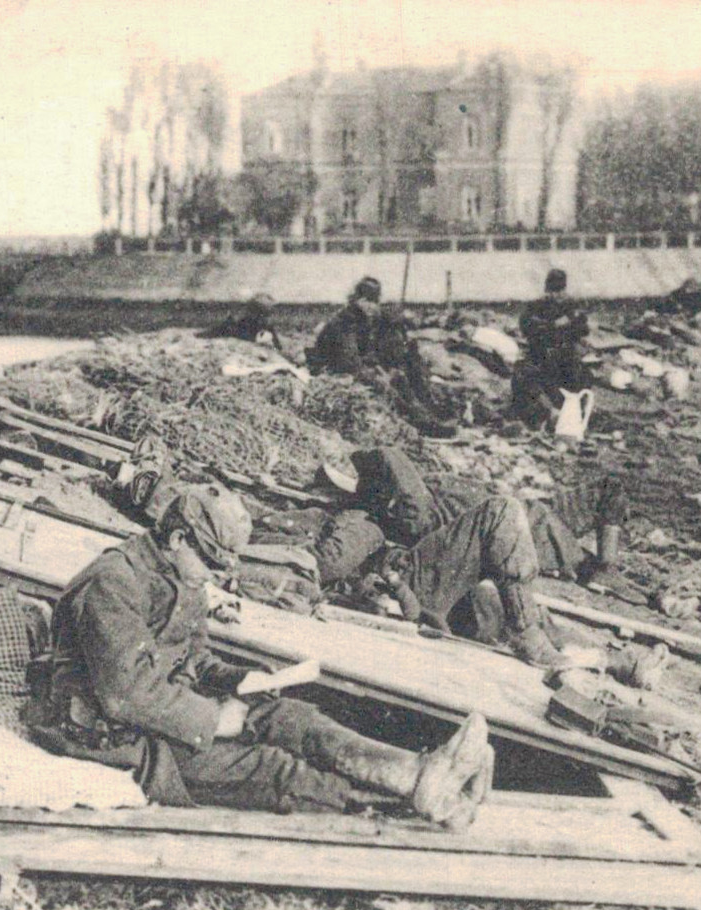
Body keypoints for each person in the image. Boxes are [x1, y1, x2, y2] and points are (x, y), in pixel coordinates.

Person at [35, 482, 494, 830]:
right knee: (275, 770)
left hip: (164, 716)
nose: (216, 576)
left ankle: (418, 772)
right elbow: (124, 696)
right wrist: (218, 720)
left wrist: (242, 679)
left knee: (292, 718)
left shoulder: (183, 576)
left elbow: (195, 659)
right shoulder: (114, 583)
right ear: (177, 540)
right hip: (112, 739)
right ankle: (423, 801)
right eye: (212, 563)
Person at [295, 448, 592, 667]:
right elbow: (327, 564)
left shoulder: (409, 518)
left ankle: (619, 660)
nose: (411, 511)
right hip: (407, 586)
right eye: (402, 502)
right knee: (501, 511)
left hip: (427, 588)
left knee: (501, 604)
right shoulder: (361, 523)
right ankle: (528, 634)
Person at [306, 277, 458, 437]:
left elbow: (368, 353)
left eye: (375, 302)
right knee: (384, 386)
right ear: (359, 300)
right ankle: (420, 424)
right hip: (332, 371)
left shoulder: (361, 320)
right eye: (369, 302)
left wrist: (381, 369)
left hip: (351, 367)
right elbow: (349, 362)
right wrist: (377, 375)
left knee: (399, 378)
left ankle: (427, 418)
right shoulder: (344, 323)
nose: (373, 307)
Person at [514, 268, 590, 423]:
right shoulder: (536, 306)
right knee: (528, 379)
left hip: (565, 356)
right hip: (542, 354)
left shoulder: (572, 306)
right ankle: (550, 412)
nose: (557, 295)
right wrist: (554, 325)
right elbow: (527, 327)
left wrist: (570, 324)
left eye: (560, 291)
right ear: (548, 290)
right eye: (553, 291)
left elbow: (583, 329)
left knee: (580, 379)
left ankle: (574, 414)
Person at [200, 293, 282, 351]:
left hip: (241, 335)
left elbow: (277, 346)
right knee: (227, 328)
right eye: (266, 314)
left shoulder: (265, 326)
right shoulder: (246, 323)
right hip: (238, 336)